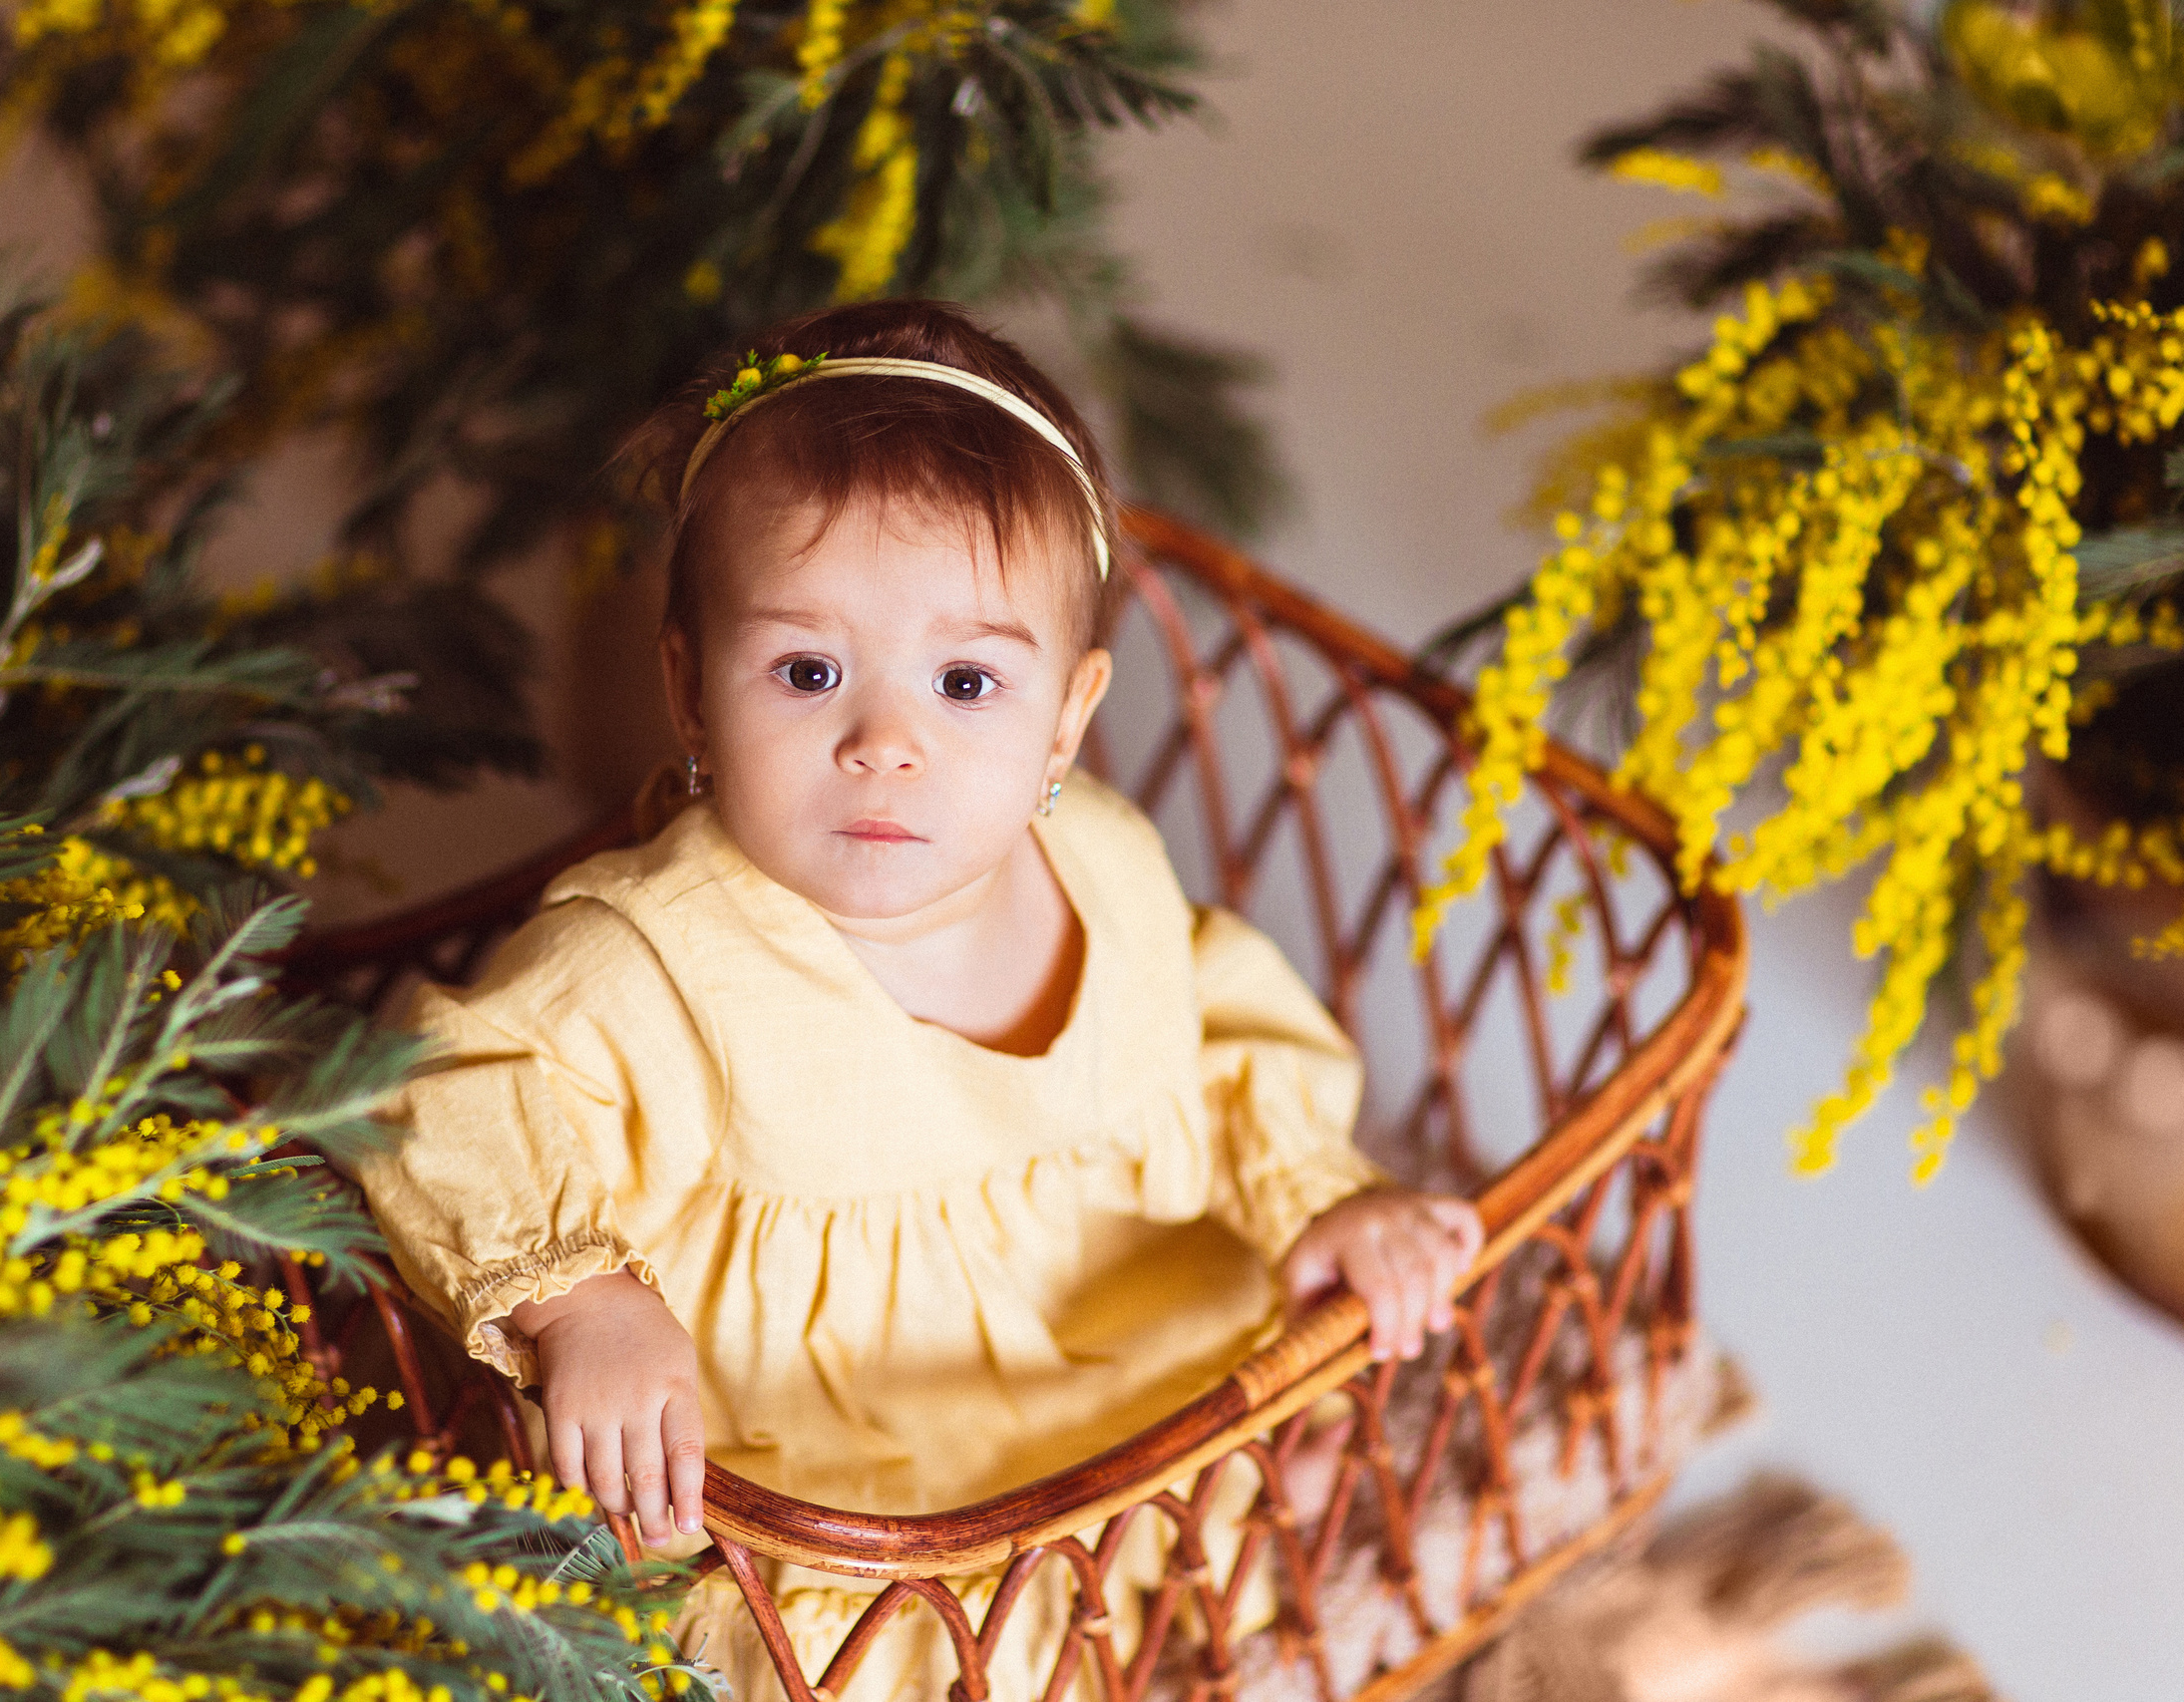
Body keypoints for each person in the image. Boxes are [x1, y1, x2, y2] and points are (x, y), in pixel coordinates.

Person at [358, 299, 1485, 1700]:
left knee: (1271, 1486)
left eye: (965, 680)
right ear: (691, 695)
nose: (884, 742)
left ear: (1066, 719)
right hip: (840, 1500)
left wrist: (1324, 1195)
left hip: (1133, 1417)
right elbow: (451, 1091)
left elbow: (1222, 1046)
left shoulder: (1107, 864)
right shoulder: (657, 955)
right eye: (808, 671)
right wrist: (581, 1306)